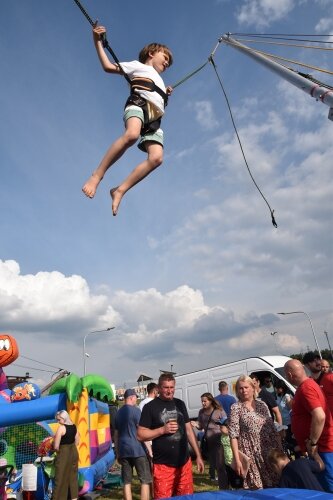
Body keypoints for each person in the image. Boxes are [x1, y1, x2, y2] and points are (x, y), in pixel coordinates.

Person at [82, 24, 173, 216]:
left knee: (156, 158)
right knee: (131, 135)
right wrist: (97, 41)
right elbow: (107, 66)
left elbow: (158, 100)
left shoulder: (161, 80)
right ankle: (97, 175)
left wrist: (165, 94)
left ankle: (119, 190)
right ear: (151, 53)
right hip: (138, 103)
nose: (167, 64)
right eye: (165, 58)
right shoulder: (137, 66)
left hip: (154, 118)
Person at [137, 373, 204, 499]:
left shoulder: (180, 404)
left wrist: (198, 455)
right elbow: (140, 435)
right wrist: (162, 430)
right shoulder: (150, 407)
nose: (169, 391)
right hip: (163, 466)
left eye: (172, 387)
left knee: (186, 498)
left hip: (184, 464)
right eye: (166, 387)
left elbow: (189, 430)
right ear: (158, 388)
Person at [284, 358, 333, 492]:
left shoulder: (306, 388)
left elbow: (319, 415)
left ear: (289, 374)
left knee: (329, 489)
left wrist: (312, 443)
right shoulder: (308, 385)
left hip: (323, 448)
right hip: (322, 448)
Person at [228, 375, 282, 489]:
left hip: (268, 451)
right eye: (240, 388)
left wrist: (279, 449)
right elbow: (233, 435)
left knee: (275, 484)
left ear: (253, 388)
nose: (244, 390)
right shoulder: (236, 408)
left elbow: (272, 428)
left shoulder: (262, 405)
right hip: (250, 454)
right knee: (257, 488)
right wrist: (237, 459)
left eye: (246, 387)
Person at [114, 388, 152, 500]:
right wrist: (150, 450)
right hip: (138, 449)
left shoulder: (118, 413)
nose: (136, 400)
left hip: (124, 450)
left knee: (126, 481)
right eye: (136, 398)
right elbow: (142, 432)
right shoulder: (136, 411)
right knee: (145, 480)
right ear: (131, 398)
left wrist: (117, 452)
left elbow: (115, 435)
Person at [191, 393, 228, 488]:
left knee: (220, 463)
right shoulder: (201, 412)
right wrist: (196, 424)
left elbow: (226, 422)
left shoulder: (218, 410)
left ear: (211, 401)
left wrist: (223, 427)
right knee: (213, 462)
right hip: (208, 441)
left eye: (205, 401)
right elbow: (200, 426)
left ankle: (223, 483)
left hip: (219, 440)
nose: (203, 403)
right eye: (202, 401)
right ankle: (217, 478)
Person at [52, 410, 79, 500]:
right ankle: (74, 498)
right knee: (73, 478)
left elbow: (56, 446)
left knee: (60, 478)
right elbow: (77, 442)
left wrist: (55, 451)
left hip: (64, 453)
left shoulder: (61, 428)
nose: (58, 422)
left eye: (59, 420)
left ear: (63, 418)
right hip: (74, 453)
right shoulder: (75, 427)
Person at [303, 351, 333, 416]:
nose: (318, 362)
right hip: (324, 422)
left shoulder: (330, 377)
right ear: (307, 365)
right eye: (314, 361)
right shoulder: (309, 383)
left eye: (318, 360)